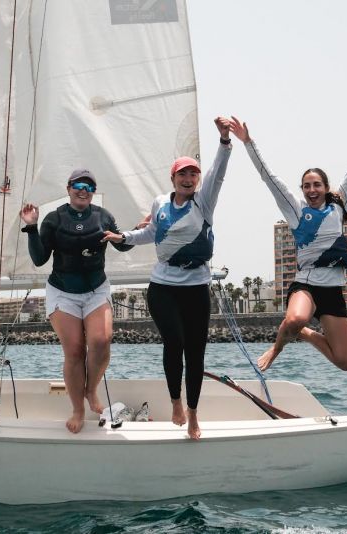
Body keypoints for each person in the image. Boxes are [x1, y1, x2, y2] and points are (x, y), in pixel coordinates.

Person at [229, 97, 347, 373]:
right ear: (301, 189)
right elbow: (269, 177)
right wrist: (248, 142)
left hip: (333, 290)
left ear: (326, 187)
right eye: (306, 186)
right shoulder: (295, 210)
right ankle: (276, 348)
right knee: (294, 319)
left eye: (316, 185)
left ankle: (304, 334)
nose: (311, 190)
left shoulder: (339, 204)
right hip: (307, 286)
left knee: (346, 362)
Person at [103, 117, 233, 440]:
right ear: (173, 178)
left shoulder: (204, 203)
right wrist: (123, 238)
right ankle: (175, 402)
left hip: (196, 286)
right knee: (174, 341)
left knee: (196, 352)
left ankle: (192, 414)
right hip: (162, 286)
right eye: (183, 174)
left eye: (194, 174)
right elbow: (151, 233)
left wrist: (224, 141)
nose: (189, 179)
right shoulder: (160, 203)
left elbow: (218, 174)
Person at [19, 169, 134, 433]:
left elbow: (122, 245)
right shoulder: (54, 219)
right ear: (69, 187)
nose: (83, 190)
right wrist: (31, 226)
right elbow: (39, 259)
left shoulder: (102, 217)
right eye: (78, 185)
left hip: (95, 289)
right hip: (63, 291)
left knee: (101, 341)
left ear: (93, 192)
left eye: (89, 187)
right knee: (74, 351)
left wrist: (135, 232)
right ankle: (78, 409)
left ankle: (91, 390)